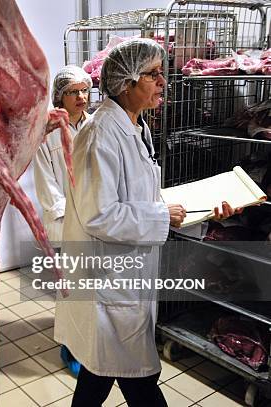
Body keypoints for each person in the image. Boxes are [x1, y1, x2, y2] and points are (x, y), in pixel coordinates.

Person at [54, 38, 237, 407]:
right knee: (133, 376)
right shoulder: (100, 135)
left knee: (102, 371)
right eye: (154, 75)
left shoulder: (136, 128)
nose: (163, 82)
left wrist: (201, 211)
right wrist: (160, 215)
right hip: (109, 280)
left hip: (126, 277)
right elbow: (98, 214)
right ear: (127, 83)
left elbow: (143, 200)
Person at [33, 65, 92, 377]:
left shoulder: (95, 126)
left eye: (85, 90)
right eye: (73, 92)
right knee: (71, 288)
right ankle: (69, 345)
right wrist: (68, 215)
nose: (81, 97)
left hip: (94, 218)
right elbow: (47, 185)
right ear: (60, 96)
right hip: (66, 220)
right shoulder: (47, 131)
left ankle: (86, 339)